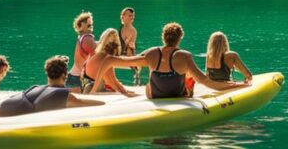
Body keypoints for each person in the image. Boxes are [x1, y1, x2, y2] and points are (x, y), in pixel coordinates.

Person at [109, 22, 249, 99]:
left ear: (163, 37)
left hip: (154, 95)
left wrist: (104, 58)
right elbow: (206, 81)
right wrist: (235, 86)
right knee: (189, 77)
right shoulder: (184, 56)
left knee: (150, 80)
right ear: (180, 38)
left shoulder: (151, 53)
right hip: (176, 94)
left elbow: (122, 61)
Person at [0, 55, 104, 117]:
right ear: (64, 75)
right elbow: (95, 105)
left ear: (47, 74)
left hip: (5, 107)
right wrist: (105, 103)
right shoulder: (62, 94)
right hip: (12, 116)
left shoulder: (36, 88)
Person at [81, 28, 136, 97]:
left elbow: (111, 80)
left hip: (85, 86)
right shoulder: (106, 58)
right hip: (92, 88)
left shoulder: (97, 53)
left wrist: (123, 90)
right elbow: (111, 81)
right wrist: (125, 92)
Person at [67, 11, 97, 92]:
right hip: (78, 80)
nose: (91, 25)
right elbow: (98, 56)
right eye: (88, 24)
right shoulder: (87, 38)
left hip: (72, 78)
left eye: (91, 24)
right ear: (80, 27)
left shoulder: (81, 37)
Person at [119, 7, 140, 85]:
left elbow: (130, 45)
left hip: (127, 52)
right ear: (123, 16)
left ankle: (136, 73)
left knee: (130, 49)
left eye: (132, 16)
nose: (131, 17)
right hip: (119, 50)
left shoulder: (133, 31)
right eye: (129, 15)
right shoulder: (121, 28)